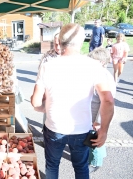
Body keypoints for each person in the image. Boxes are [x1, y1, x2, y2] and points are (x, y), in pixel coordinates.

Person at [31, 23, 114, 179]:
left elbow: (35, 102)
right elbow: (108, 100)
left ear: (60, 41)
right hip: (82, 129)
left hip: (54, 127)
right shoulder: (94, 66)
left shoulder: (47, 65)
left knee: (52, 165)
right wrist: (104, 129)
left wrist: (45, 107)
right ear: (82, 41)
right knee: (81, 167)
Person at [87, 47, 116, 173]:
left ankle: (95, 163)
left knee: (96, 140)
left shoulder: (106, 78)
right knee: (94, 139)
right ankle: (96, 157)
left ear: (102, 62)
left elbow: (107, 103)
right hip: (92, 117)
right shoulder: (97, 74)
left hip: (99, 118)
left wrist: (98, 122)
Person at [36, 33, 61, 119]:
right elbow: (40, 76)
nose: (57, 47)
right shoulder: (48, 56)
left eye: (60, 44)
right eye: (55, 44)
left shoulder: (71, 56)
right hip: (50, 93)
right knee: (48, 117)